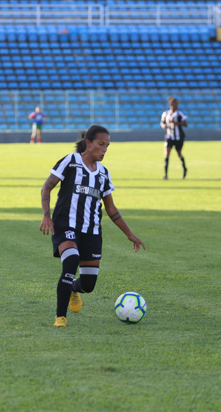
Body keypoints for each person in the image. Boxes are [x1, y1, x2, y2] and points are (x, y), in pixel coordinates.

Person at [40, 125, 145, 328]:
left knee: (88, 285)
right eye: (101, 144)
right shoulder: (70, 161)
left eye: (107, 145)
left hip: (92, 232)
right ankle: (60, 317)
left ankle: (72, 288)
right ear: (88, 143)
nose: (104, 149)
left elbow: (111, 209)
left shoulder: (104, 174)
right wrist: (46, 215)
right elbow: (47, 186)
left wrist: (129, 234)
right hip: (65, 224)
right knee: (71, 260)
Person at [160, 96, 188, 180]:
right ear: (171, 104)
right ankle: (166, 175)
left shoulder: (180, 114)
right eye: (176, 103)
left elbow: (185, 124)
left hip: (179, 138)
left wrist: (176, 122)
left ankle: (184, 168)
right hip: (169, 137)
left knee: (179, 153)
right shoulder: (166, 114)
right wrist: (163, 126)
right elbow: (162, 122)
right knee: (167, 154)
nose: (177, 105)